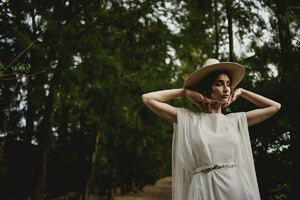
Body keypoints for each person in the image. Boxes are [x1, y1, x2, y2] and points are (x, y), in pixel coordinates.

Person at [141, 59, 281, 200]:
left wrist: (242, 92)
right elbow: (148, 98)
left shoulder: (235, 120)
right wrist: (184, 92)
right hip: (203, 190)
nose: (226, 89)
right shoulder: (190, 120)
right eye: (219, 84)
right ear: (207, 88)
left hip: (235, 188)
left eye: (228, 84)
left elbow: (274, 107)